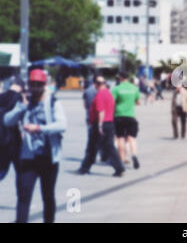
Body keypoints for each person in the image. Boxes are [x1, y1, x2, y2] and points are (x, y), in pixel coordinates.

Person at [4, 70, 67, 223]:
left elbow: (62, 125)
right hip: (28, 158)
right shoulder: (25, 102)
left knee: (48, 195)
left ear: (44, 85)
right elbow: (7, 121)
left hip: (49, 158)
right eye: (32, 84)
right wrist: (21, 107)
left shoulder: (53, 102)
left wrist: (39, 128)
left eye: (38, 84)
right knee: (24, 196)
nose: (35, 88)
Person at [78, 76, 125, 177]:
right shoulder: (109, 93)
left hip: (101, 124)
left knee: (92, 147)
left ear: (95, 84)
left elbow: (101, 111)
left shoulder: (100, 94)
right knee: (108, 147)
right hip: (109, 123)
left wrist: (99, 125)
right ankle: (119, 168)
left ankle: (84, 168)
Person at [112, 71, 141, 169]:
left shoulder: (116, 89)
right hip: (131, 116)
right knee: (131, 138)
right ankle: (134, 156)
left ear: (120, 78)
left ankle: (121, 160)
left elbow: (112, 102)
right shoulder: (134, 88)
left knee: (120, 138)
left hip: (119, 116)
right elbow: (138, 102)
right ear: (128, 78)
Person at [0, 77, 25, 181]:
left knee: (2, 169)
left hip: (2, 138)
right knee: (21, 171)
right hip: (14, 139)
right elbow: (20, 119)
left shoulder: (1, 96)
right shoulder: (19, 98)